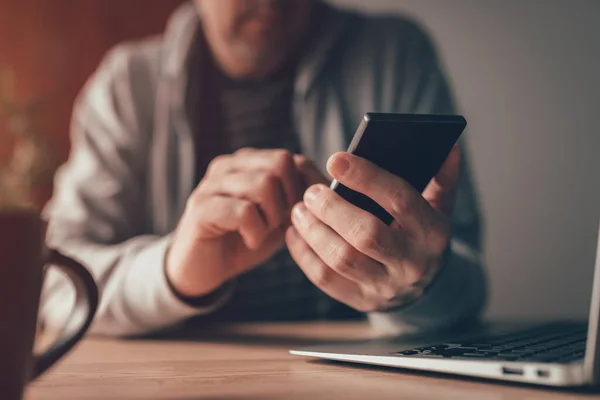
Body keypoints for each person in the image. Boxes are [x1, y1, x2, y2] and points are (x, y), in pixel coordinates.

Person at [40, 0, 485, 337]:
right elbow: (54, 284)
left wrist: (419, 288)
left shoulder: (395, 55)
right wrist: (175, 272)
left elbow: (467, 280)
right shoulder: (126, 86)